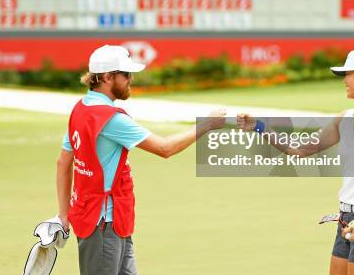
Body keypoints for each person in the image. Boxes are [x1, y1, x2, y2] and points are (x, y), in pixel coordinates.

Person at [56, 45, 226, 275]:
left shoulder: (81, 109)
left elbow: (63, 163)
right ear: (107, 77)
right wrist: (206, 125)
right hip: (103, 224)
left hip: (110, 221)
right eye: (125, 74)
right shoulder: (111, 119)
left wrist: (63, 214)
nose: (130, 79)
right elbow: (165, 148)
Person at [237, 49, 354, 275]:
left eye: (348, 74)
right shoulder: (344, 118)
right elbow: (298, 149)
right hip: (345, 219)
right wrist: (259, 127)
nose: (344, 80)